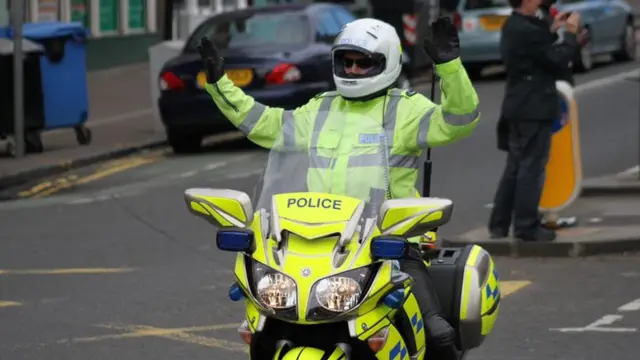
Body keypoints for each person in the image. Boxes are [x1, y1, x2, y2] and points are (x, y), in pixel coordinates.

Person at [197, 17, 480, 359]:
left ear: (385, 63)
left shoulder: (406, 109)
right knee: (266, 322)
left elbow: (460, 119)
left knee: (437, 334)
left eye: (364, 63)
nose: (354, 69)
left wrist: (449, 67)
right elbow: (264, 125)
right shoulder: (321, 108)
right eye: (347, 61)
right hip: (316, 241)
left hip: (388, 243)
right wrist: (218, 83)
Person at [488, 0, 581, 241]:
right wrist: (570, 35)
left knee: (515, 166)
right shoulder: (528, 30)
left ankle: (498, 225)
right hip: (534, 106)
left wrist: (552, 31)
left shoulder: (514, 25)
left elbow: (535, 52)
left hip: (517, 104)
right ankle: (526, 226)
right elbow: (557, 60)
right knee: (532, 167)